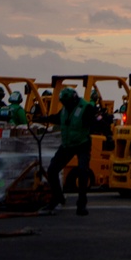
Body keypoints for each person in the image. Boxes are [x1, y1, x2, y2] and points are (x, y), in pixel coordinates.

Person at [42, 88, 96, 216]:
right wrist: (44, 119)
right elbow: (58, 118)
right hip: (68, 144)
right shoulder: (65, 109)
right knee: (52, 170)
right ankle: (57, 198)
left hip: (82, 144)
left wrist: (108, 135)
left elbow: (97, 121)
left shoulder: (85, 108)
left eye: (67, 103)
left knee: (83, 172)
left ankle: (81, 205)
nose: (66, 105)